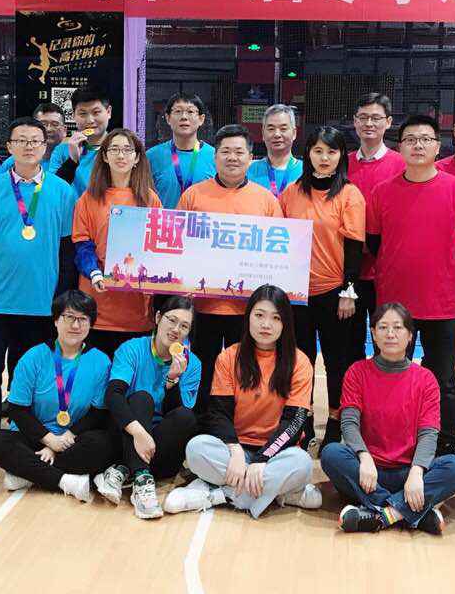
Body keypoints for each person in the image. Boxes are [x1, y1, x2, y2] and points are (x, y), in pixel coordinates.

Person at [0, 117, 78, 470]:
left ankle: (20, 438)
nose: (29, 146)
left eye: (35, 141)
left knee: (25, 379)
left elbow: (67, 252)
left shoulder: (62, 191)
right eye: (21, 140)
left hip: (42, 306)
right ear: (9, 146)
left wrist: (62, 301)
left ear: (45, 148)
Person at [365, 114, 455, 456]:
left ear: (437, 146)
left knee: (443, 378)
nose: (418, 145)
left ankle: (444, 443)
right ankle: (389, 440)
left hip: (442, 303)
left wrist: (441, 266)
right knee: (389, 375)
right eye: (411, 140)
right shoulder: (382, 192)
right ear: (400, 147)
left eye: (425, 139)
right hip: (394, 305)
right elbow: (374, 242)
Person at [165, 285, 321, 518]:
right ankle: (278, 492)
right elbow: (218, 413)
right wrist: (236, 451)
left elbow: (295, 422)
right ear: (248, 318)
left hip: (277, 453)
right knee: (196, 448)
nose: (266, 324)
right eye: (259, 315)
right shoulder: (229, 357)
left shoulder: (299, 362)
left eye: (275, 318)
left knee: (302, 463)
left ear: (285, 323)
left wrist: (263, 459)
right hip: (233, 451)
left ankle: (219, 494)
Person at [319, 302, 455, 534]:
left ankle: (382, 514)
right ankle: (412, 512)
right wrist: (364, 457)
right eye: (383, 327)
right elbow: (348, 422)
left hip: (409, 472)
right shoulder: (357, 372)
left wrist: (417, 471)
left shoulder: (426, 379)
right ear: (373, 334)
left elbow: (429, 433)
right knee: (331, 454)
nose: (390, 334)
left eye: (398, 328)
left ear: (410, 336)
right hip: (368, 472)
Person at [177, 124, 284, 408]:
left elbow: (277, 257)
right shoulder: (193, 196)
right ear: (215, 157)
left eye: (239, 152)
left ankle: (241, 419)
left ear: (251, 157)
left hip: (248, 308)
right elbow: (179, 247)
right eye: (225, 151)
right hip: (203, 306)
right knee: (203, 368)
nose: (232, 158)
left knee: (245, 370)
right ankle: (202, 420)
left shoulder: (266, 200)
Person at [0, 291, 115, 502]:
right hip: (33, 437)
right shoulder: (34, 357)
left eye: (83, 319)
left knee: (103, 444)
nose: (75, 325)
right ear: (56, 320)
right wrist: (49, 440)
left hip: (73, 439)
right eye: (69, 317)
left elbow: (97, 413)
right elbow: (18, 410)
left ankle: (27, 473)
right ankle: (64, 481)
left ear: (91, 324)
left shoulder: (101, 361)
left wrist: (59, 444)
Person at [279, 125, 365, 449]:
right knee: (300, 361)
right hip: (297, 295)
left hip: (334, 293)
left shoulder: (349, 195)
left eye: (331, 151)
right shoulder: (291, 193)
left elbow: (354, 248)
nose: (324, 157)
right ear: (308, 154)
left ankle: (334, 424)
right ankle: (300, 424)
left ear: (341, 155)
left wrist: (348, 292)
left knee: (336, 361)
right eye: (318, 150)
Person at [96, 297, 202, 519]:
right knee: (142, 398)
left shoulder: (192, 363)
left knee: (186, 417)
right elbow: (113, 395)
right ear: (158, 317)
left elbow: (179, 416)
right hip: (127, 433)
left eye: (184, 326)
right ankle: (142, 480)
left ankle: (124, 469)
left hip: (159, 448)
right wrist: (139, 433)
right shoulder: (132, 349)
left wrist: (173, 380)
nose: (176, 329)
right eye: (171, 320)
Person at [73, 128, 162, 357]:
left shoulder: (150, 199)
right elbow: (82, 244)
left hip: (136, 311)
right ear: (104, 156)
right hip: (96, 307)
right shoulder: (88, 199)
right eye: (114, 149)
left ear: (137, 157)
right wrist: (94, 272)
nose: (121, 155)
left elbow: (157, 248)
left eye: (127, 150)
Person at [346, 92, 406, 350]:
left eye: (375, 118)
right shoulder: (342, 164)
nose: (369, 123)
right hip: (349, 272)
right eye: (363, 117)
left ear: (388, 122)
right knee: (349, 346)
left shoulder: (402, 165)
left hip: (388, 273)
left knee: (389, 345)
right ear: (355, 122)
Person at [146, 92, 216, 208]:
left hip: (201, 220)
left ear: (201, 119)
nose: (184, 117)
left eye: (190, 112)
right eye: (178, 111)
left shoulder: (215, 157)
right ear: (168, 118)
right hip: (163, 219)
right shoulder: (152, 156)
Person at [52, 87, 114, 196]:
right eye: (83, 114)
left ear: (108, 112)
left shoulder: (120, 150)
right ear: (73, 115)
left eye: (96, 112)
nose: (90, 120)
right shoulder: (61, 151)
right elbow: (53, 191)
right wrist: (72, 160)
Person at [246, 104, 303, 199]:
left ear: (294, 133)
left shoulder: (306, 171)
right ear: (263, 134)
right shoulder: (248, 170)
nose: (277, 134)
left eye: (283, 129)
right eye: (271, 129)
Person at [0, 103, 67, 173]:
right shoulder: (12, 163)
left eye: (55, 124)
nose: (48, 129)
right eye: (43, 124)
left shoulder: (72, 159)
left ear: (65, 130)